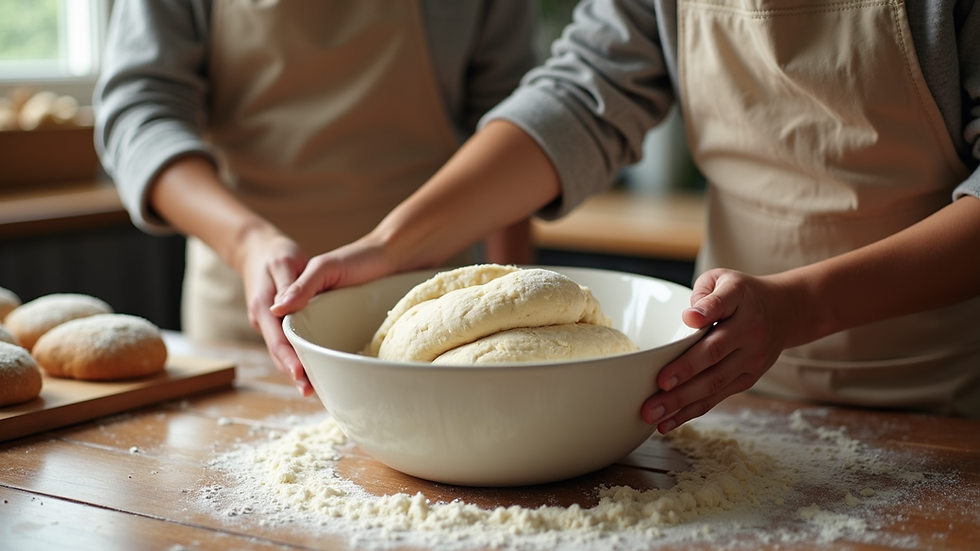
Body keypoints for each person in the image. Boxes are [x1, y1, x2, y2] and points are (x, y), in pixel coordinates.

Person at [271, 0, 980, 428]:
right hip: (716, 385)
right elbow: (585, 95)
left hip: (939, 398)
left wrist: (799, 307)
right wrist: (393, 245)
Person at [94, 0, 539, 395]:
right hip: (252, 319)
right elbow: (140, 113)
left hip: (435, 318)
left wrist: (512, 312)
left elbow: (516, 129)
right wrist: (247, 243)